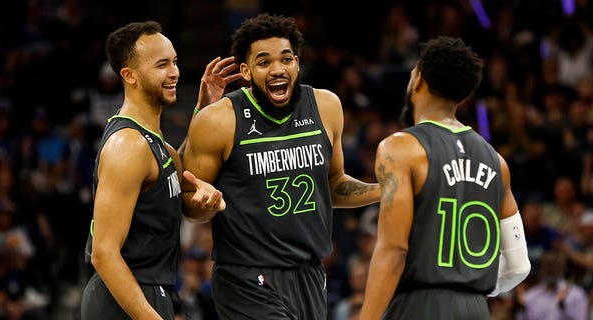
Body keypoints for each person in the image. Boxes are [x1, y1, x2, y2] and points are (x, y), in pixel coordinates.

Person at [181, 13, 381, 319]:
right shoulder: (218, 120)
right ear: (246, 71)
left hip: (309, 273)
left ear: (297, 64)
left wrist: (386, 190)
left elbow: (333, 186)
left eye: (286, 59)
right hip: (246, 277)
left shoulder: (326, 107)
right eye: (264, 62)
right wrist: (206, 204)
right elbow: (190, 207)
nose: (277, 69)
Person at [359, 36, 531, 319]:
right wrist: (467, 283)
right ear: (463, 96)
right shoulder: (497, 162)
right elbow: (518, 266)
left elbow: (394, 250)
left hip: (419, 306)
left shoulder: (401, 148)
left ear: (418, 80)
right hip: (476, 308)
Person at [80, 21, 241, 319]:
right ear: (129, 75)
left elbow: (177, 171)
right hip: (121, 297)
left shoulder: (155, 145)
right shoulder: (128, 145)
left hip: (153, 289)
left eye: (175, 62)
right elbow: (104, 253)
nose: (175, 72)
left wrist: (203, 109)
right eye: (162, 64)